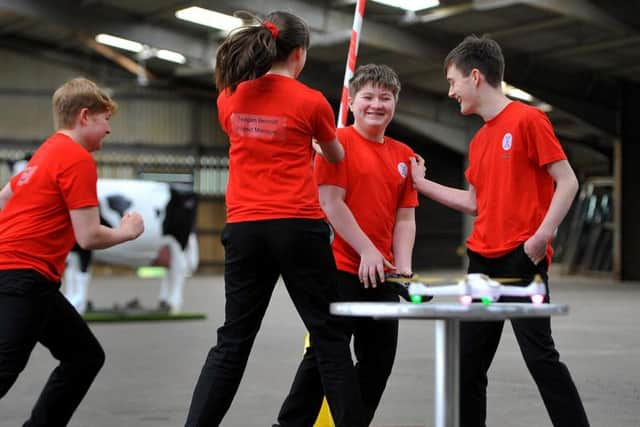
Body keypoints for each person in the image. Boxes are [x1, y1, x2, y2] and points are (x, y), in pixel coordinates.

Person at [184, 11, 366, 427]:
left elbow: (255, 140)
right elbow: (336, 157)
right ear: (299, 54)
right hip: (298, 225)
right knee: (329, 337)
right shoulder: (311, 101)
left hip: (246, 228)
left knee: (233, 341)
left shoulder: (230, 96)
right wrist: (324, 145)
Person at [411, 35, 590, 427]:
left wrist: (541, 236)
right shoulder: (479, 141)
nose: (450, 91)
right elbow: (475, 202)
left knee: (540, 357)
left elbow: (568, 182)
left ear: (475, 76)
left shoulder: (528, 120)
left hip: (522, 259)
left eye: (452, 80)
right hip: (481, 263)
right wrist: (422, 185)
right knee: (469, 365)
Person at [275, 63, 418, 426]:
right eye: (367, 97)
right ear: (352, 102)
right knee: (324, 360)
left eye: (385, 98)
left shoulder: (404, 156)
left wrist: (402, 266)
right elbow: (330, 203)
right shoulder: (334, 145)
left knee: (378, 363)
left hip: (382, 275)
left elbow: (404, 219)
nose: (376, 104)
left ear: (395, 104)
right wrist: (367, 249)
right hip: (339, 269)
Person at [0, 77, 144, 426]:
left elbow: (5, 196)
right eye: (105, 119)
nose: (108, 129)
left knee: (84, 356)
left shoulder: (44, 153)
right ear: (84, 116)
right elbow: (89, 237)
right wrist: (127, 232)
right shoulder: (76, 159)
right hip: (24, 278)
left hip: (29, 278)